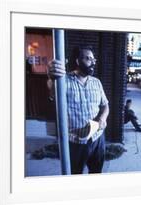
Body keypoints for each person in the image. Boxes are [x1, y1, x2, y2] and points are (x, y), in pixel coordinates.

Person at [48, 46, 109, 175]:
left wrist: (102, 118)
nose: (93, 62)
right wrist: (51, 78)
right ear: (77, 61)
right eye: (88, 58)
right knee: (75, 174)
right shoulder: (63, 80)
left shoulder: (96, 82)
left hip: (97, 138)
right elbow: (52, 93)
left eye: (93, 59)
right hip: (75, 142)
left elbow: (105, 106)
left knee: (96, 172)